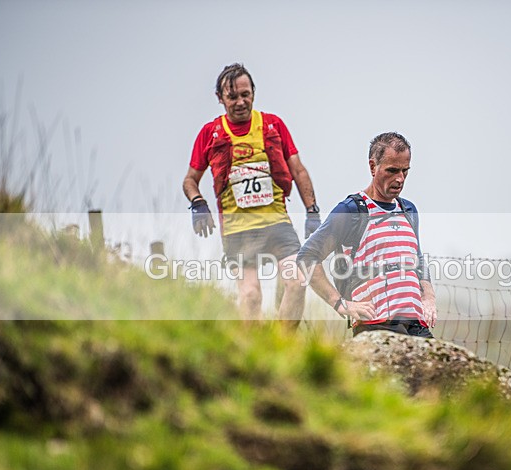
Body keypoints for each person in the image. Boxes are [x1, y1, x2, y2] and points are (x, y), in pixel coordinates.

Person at [182, 63, 321, 326]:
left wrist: (312, 210)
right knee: (250, 296)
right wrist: (198, 203)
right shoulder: (210, 133)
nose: (240, 102)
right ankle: (253, 352)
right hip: (237, 231)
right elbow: (190, 180)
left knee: (298, 281)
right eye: (232, 97)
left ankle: (283, 346)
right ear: (220, 99)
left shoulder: (273, 125)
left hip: (277, 224)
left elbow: (298, 170)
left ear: (254, 93)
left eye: (246, 94)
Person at [297, 132, 436, 337]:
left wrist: (429, 297)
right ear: (373, 167)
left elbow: (417, 259)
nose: (400, 179)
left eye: (405, 171)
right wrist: (341, 305)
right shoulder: (351, 210)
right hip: (376, 326)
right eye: (392, 170)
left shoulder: (409, 210)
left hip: (416, 325)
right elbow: (307, 258)